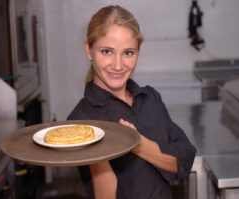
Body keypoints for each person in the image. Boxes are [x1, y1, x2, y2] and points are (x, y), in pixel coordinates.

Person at [67, 5, 196, 199]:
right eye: (107, 51)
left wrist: (139, 145)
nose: (118, 65)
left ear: (138, 52)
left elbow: (184, 159)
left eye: (128, 53)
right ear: (89, 50)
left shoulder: (150, 98)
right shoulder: (82, 121)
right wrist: (98, 154)